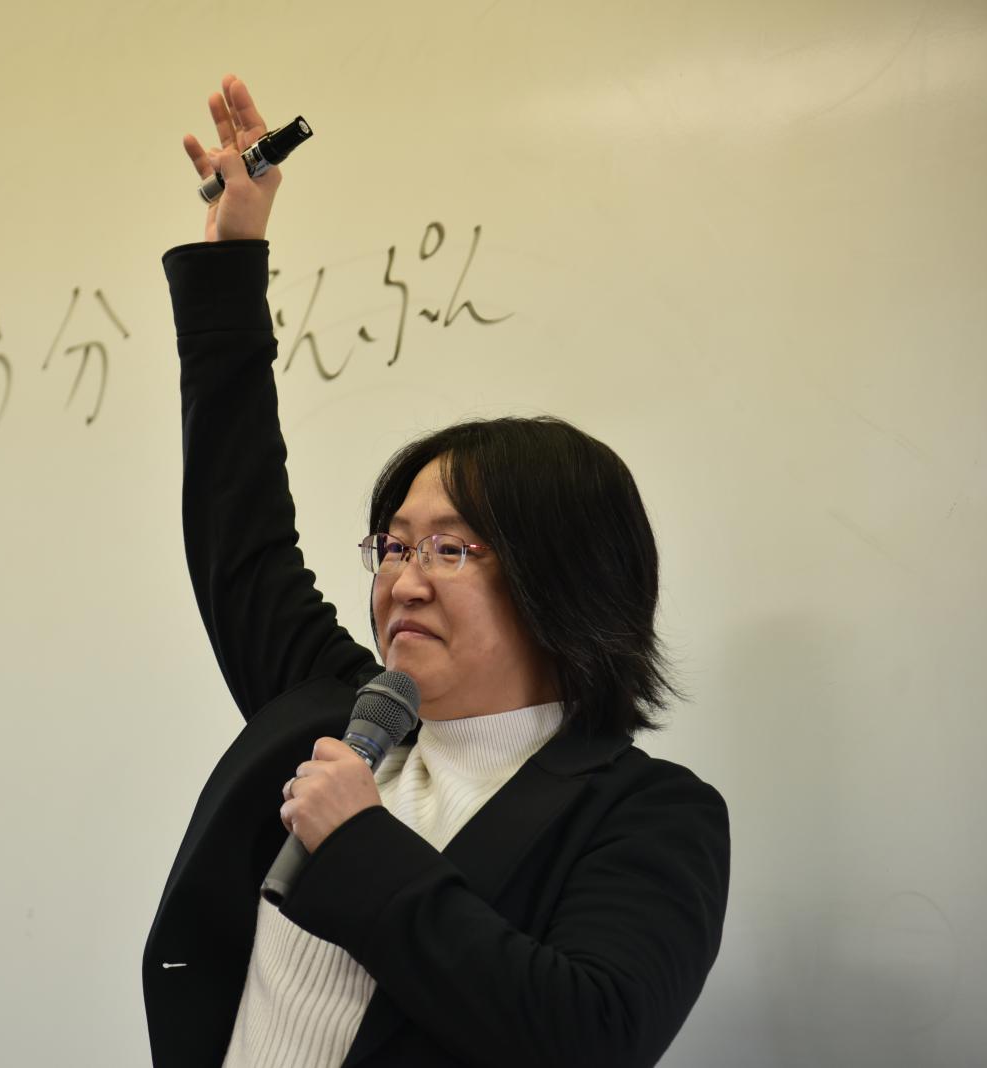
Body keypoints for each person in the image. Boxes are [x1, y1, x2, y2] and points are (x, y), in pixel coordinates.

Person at [142, 74, 729, 1068]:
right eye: (393, 545)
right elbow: (242, 533)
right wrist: (232, 259)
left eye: (449, 548)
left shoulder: (643, 813)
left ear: (563, 580)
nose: (402, 580)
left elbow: (590, 1034)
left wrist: (360, 848)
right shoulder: (334, 715)